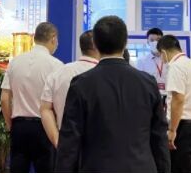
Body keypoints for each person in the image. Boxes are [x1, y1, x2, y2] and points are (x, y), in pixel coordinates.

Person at [56, 16, 169, 173]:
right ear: (125, 43)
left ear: (95, 44)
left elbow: (70, 141)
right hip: (141, 167)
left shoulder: (81, 84)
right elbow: (159, 137)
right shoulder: (148, 83)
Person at [1, 22, 64, 173]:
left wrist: (10, 125)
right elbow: (60, 102)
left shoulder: (15, 62)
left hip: (19, 126)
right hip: (45, 128)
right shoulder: (56, 65)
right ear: (53, 38)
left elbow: (4, 98)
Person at [40, 29, 99, 148]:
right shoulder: (108, 75)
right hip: (100, 145)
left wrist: (57, 140)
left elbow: (45, 109)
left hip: (66, 143)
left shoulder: (58, 73)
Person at [158, 34, 191, 173]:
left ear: (164, 52)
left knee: (179, 168)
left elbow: (178, 99)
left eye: (160, 55)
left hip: (184, 129)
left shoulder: (176, 67)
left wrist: (172, 130)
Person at [137, 27, 166, 95]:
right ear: (148, 42)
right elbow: (140, 82)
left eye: (158, 40)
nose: (155, 43)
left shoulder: (169, 60)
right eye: (152, 40)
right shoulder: (142, 61)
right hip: (150, 96)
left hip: (168, 97)